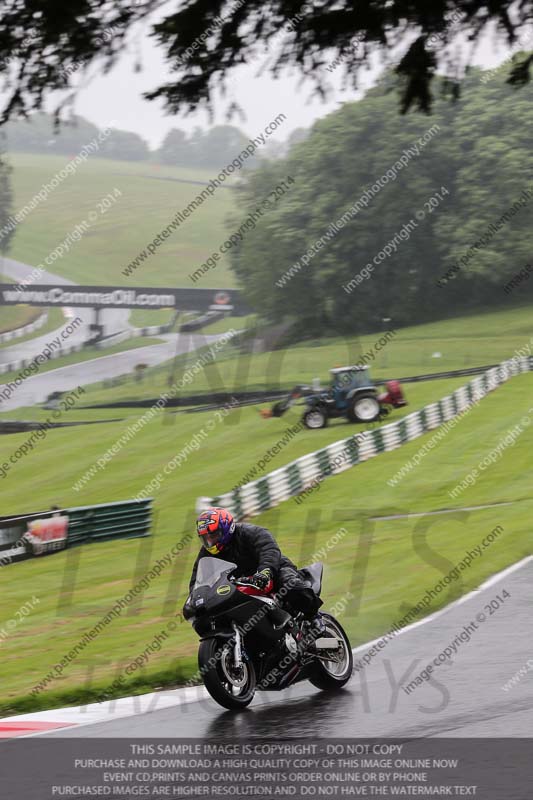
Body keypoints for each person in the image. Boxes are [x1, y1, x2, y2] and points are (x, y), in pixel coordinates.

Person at [187, 507, 323, 629]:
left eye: (214, 535)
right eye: (205, 538)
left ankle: (314, 617)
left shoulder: (250, 532)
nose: (210, 542)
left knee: (290, 585)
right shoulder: (206, 552)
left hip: (272, 571)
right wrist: (195, 598)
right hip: (240, 584)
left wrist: (265, 572)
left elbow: (268, 550)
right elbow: (199, 576)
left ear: (226, 528)